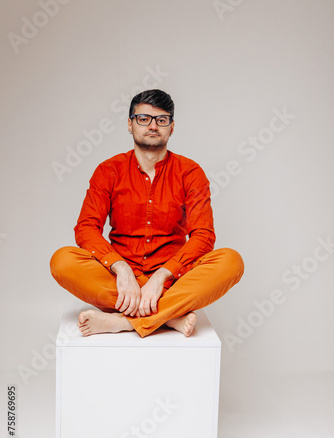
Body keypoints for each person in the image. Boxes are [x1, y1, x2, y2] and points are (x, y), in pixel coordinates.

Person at [50, 89, 244, 338]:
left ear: (171, 127)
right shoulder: (108, 171)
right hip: (120, 282)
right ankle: (168, 315)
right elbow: (86, 228)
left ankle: (124, 321)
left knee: (231, 261)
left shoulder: (190, 173)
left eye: (161, 120)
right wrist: (121, 270)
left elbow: (203, 236)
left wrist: (162, 276)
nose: (153, 126)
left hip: (172, 280)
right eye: (143, 119)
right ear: (130, 125)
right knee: (62, 261)